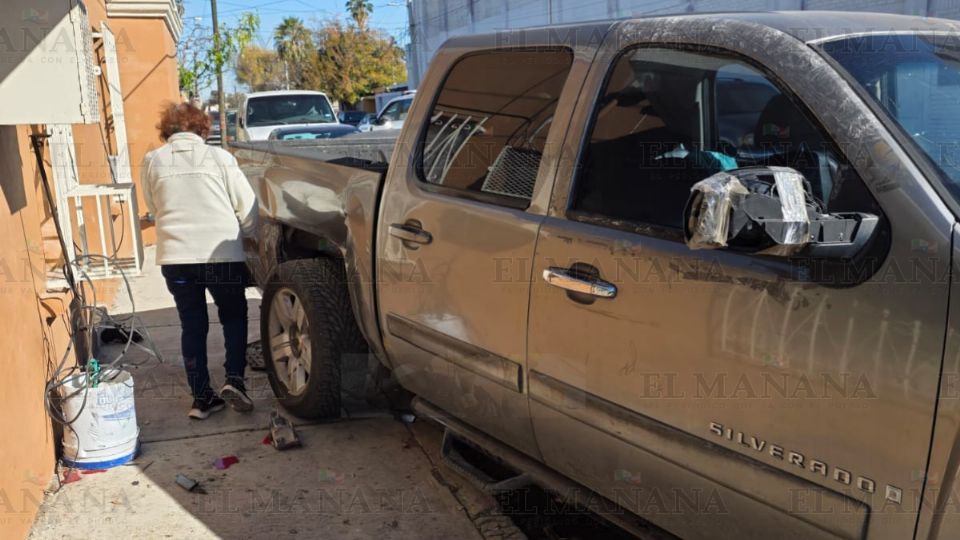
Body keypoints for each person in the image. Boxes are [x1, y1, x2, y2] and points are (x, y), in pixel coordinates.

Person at [142, 102, 258, 419]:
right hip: (221, 256)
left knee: (192, 325)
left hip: (176, 258)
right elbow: (248, 208)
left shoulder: (152, 161)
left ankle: (201, 398)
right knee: (233, 316)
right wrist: (248, 235)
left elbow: (152, 205)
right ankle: (235, 379)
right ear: (202, 129)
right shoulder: (220, 158)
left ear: (168, 131)